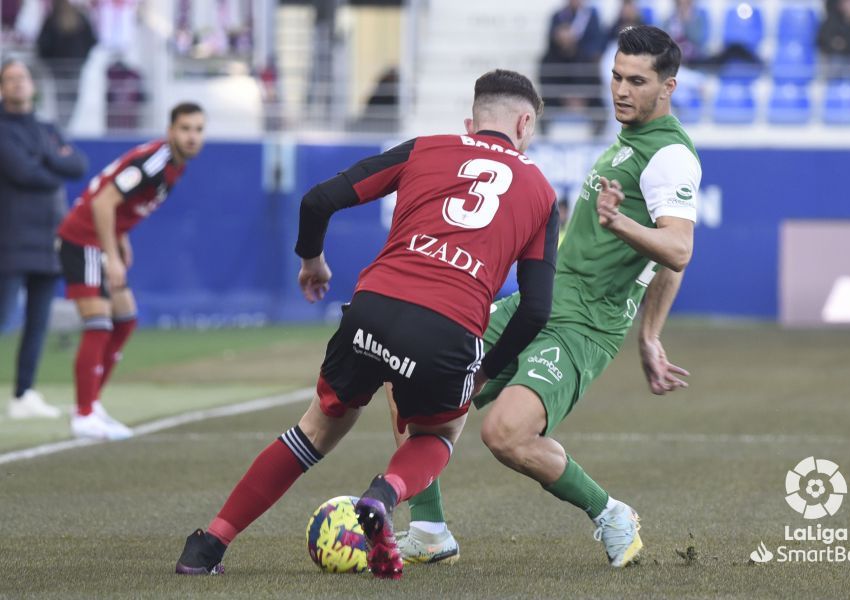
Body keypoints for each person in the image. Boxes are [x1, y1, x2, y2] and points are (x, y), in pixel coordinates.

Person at [174, 69, 559, 579]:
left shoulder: (426, 147)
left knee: (313, 430)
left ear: (472, 122)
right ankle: (384, 494)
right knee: (439, 433)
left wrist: (312, 260)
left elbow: (317, 201)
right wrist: (486, 370)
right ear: (525, 122)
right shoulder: (542, 193)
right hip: (447, 329)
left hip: (372, 309)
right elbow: (535, 308)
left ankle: (209, 544)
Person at [394, 25, 701, 570]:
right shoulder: (630, 142)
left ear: (668, 87)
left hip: (583, 325)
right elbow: (666, 258)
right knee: (412, 380)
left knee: (505, 434)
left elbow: (677, 249)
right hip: (541, 301)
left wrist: (617, 222)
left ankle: (610, 513)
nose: (621, 90)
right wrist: (651, 335)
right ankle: (429, 528)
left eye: (637, 80)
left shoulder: (670, 157)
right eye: (616, 77)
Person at [56, 102, 206, 440]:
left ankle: (92, 404)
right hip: (83, 241)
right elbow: (102, 202)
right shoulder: (155, 160)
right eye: (185, 129)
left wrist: (122, 239)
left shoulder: (174, 166)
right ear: (170, 131)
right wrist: (110, 254)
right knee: (98, 322)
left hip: (101, 242)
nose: (192, 136)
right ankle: (83, 414)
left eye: (198, 129)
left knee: (125, 320)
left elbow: (122, 207)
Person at [0, 58, 88, 419]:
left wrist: (46, 158)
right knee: (3, 316)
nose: (19, 84)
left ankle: (24, 393)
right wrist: (53, 162)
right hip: (10, 237)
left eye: (23, 78)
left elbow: (77, 166)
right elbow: (24, 173)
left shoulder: (47, 127)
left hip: (50, 236)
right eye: (11, 79)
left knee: (37, 321)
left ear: (33, 86)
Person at [539, 0, 607, 134]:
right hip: (558, 98)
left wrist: (581, 97)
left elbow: (593, 81)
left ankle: (598, 138)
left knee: (599, 106)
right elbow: (546, 82)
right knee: (543, 107)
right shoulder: (549, 59)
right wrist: (564, 98)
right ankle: (545, 138)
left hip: (582, 97)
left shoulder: (586, 59)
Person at [36, 0, 97, 128]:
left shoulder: (52, 19)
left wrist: (48, 61)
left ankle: (63, 126)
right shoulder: (79, 18)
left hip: (60, 66)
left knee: (61, 98)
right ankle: (65, 125)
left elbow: (42, 44)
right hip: (72, 66)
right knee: (70, 98)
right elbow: (92, 40)